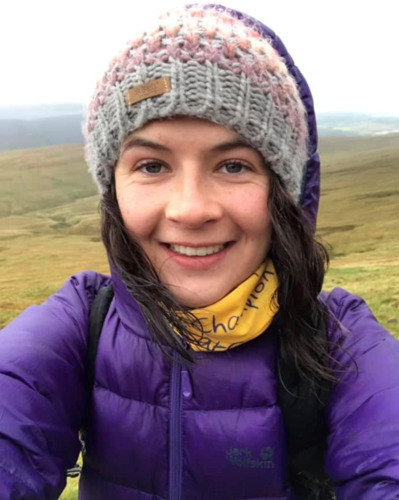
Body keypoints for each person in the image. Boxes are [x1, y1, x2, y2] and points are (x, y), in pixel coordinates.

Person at [1, 4, 399, 499]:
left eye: (233, 165)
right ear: (112, 190)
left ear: (285, 191)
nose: (190, 210)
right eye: (151, 166)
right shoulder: (82, 323)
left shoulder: (340, 342)